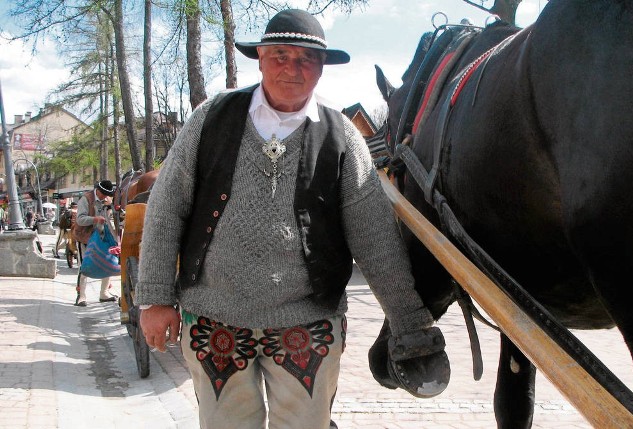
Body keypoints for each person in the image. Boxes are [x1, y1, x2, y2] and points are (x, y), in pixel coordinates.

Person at [136, 9, 447, 429]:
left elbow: (375, 239)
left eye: (305, 58)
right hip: (213, 319)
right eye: (280, 55)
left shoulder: (342, 138)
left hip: (307, 324)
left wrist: (410, 324)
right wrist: (155, 298)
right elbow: (166, 206)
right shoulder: (211, 120)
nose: (292, 67)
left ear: (321, 69)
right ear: (260, 58)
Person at [73, 181, 118, 307]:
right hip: (85, 237)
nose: (105, 197)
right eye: (104, 194)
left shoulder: (108, 200)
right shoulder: (86, 199)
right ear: (98, 191)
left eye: (107, 194)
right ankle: (81, 296)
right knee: (84, 266)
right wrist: (95, 219)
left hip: (102, 237)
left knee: (109, 262)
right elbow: (80, 219)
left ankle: (104, 293)